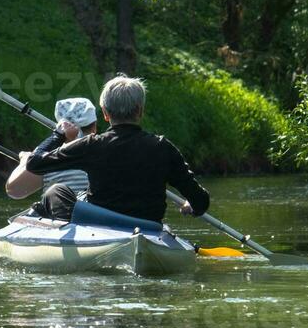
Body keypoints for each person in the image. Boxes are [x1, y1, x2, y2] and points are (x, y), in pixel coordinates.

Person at [17, 75, 210, 224]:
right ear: (140, 111)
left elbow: (34, 163)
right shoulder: (163, 147)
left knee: (56, 191)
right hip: (148, 225)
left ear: (105, 114)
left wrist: (57, 135)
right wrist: (191, 207)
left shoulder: (91, 145)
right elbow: (201, 201)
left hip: (100, 224)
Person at [5, 97, 97, 200]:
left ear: (60, 125)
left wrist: (25, 161)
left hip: (59, 213)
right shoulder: (106, 150)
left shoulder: (49, 159)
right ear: (94, 127)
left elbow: (14, 190)